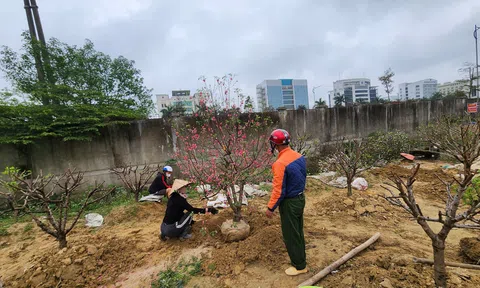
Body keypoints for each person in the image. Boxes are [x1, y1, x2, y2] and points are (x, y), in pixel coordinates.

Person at [266, 129, 307, 276]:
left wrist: (270, 208)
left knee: (290, 235)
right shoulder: (299, 156)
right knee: (297, 231)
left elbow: (278, 190)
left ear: (275, 144)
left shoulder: (280, 163)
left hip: (289, 203)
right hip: (300, 198)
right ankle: (301, 259)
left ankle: (299, 266)